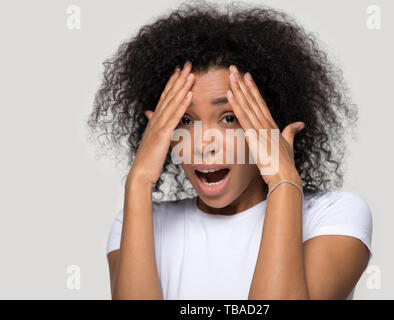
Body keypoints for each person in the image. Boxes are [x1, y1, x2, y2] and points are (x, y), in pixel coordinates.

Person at [87, 0, 373, 300]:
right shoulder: (138, 223)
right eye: (184, 120)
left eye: (229, 118)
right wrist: (139, 181)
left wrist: (283, 181)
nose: (202, 144)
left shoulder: (333, 216)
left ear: (270, 121)